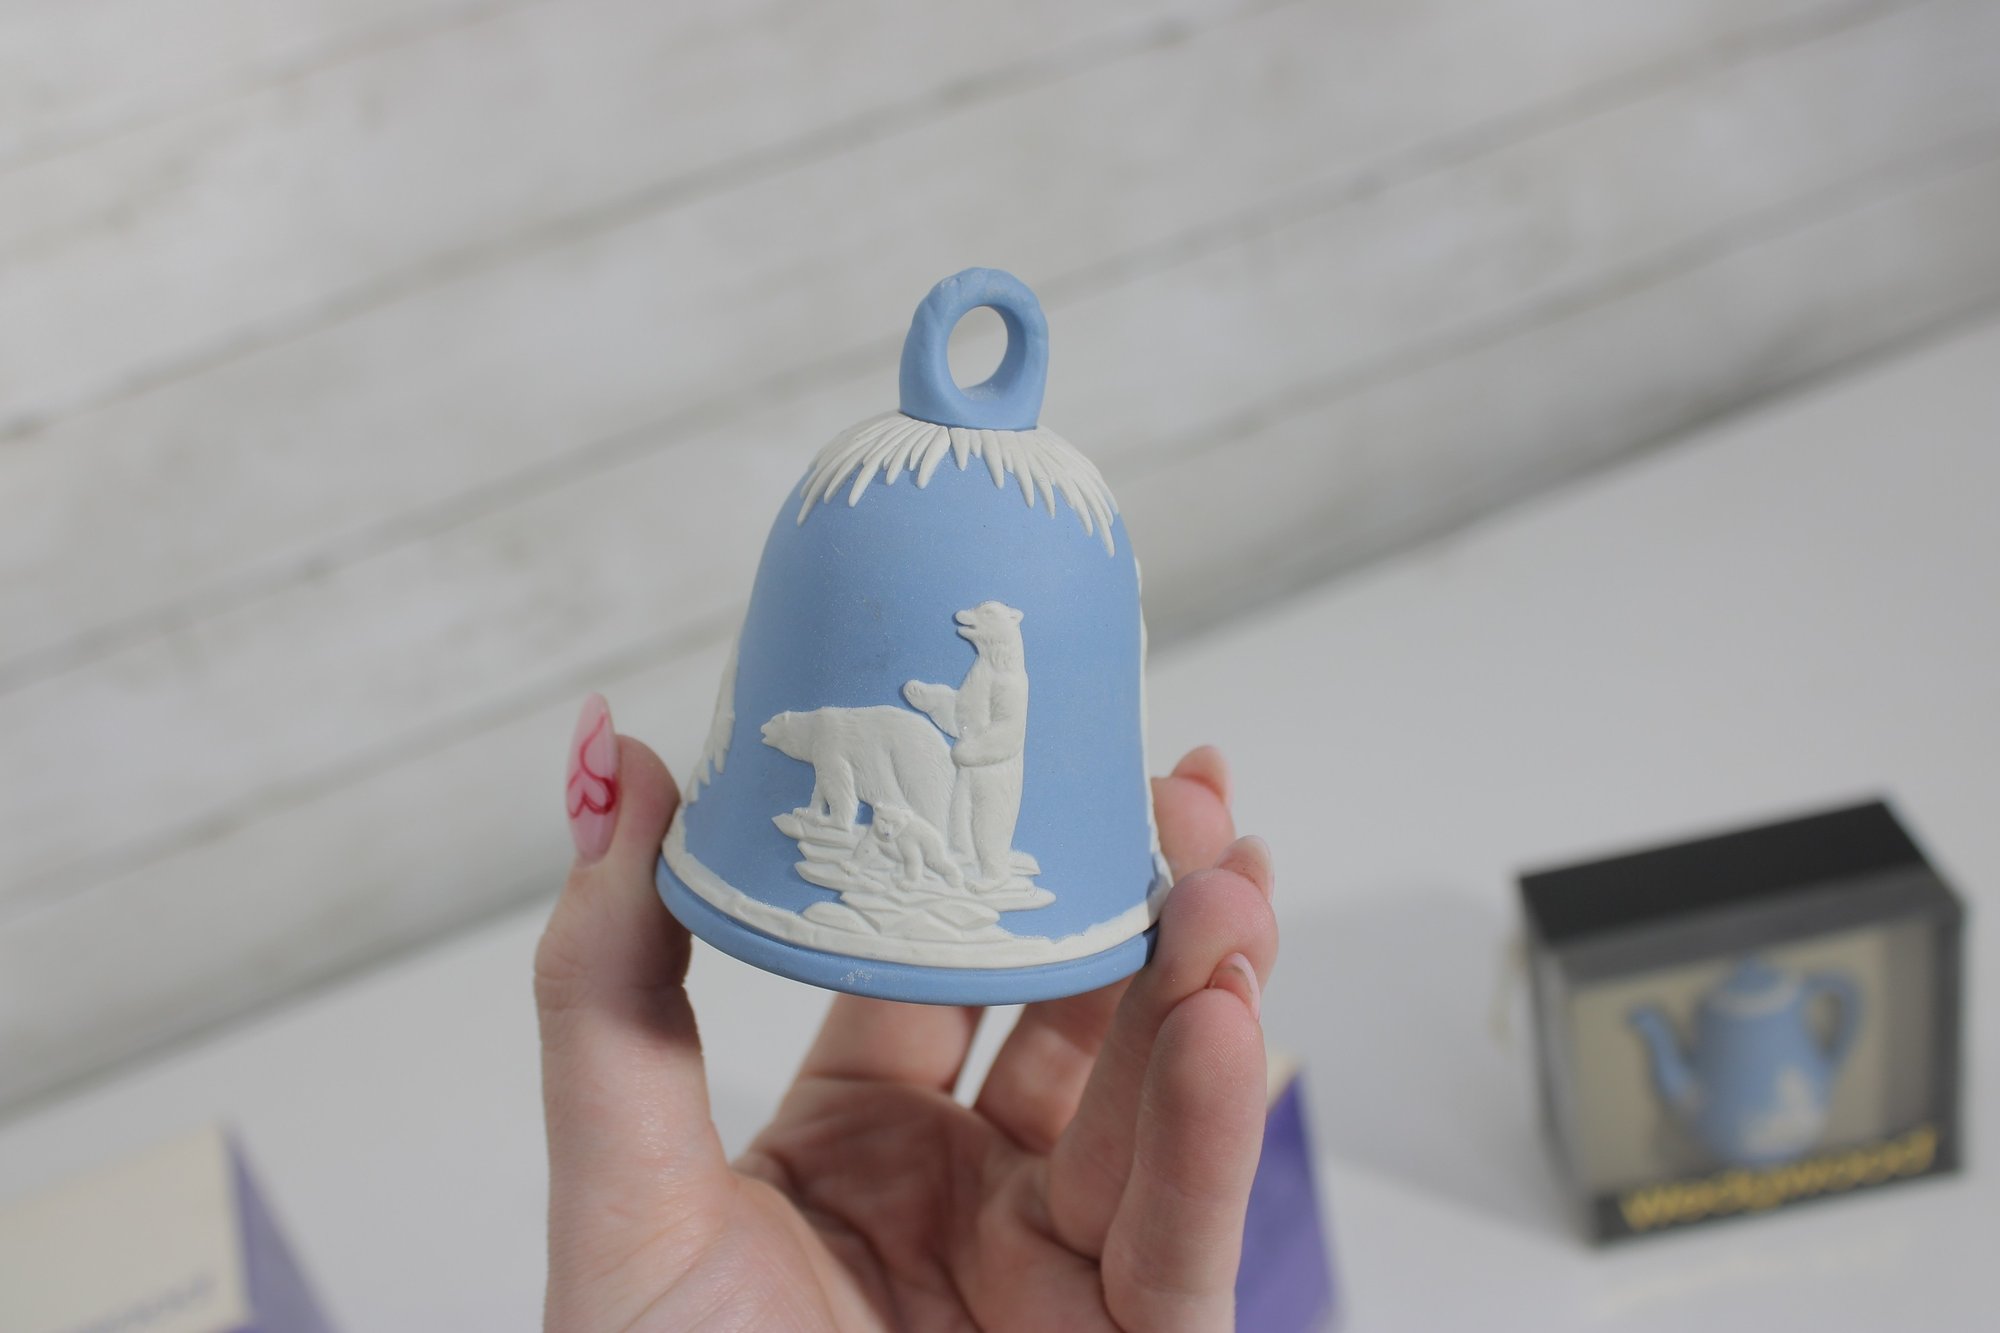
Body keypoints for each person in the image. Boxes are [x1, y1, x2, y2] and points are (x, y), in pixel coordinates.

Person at [538, 694, 1280, 1331]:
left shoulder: (831, 735)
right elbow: (837, 787)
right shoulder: (826, 734)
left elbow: (840, 787)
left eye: (779, 738)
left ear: (795, 731)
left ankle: (968, 862)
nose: (777, 741)